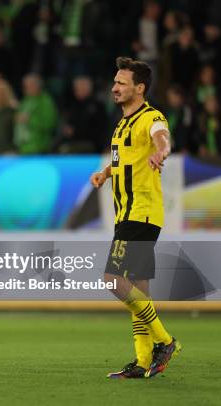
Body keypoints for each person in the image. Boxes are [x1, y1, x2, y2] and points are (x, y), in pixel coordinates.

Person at [90, 57, 181, 379]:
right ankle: (143, 362)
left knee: (114, 280)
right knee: (139, 288)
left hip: (140, 212)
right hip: (127, 213)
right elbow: (125, 163)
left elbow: (162, 138)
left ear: (139, 88)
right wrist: (105, 173)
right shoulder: (121, 125)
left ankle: (165, 341)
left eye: (121, 83)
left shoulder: (151, 117)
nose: (114, 87)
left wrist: (162, 152)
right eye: (114, 82)